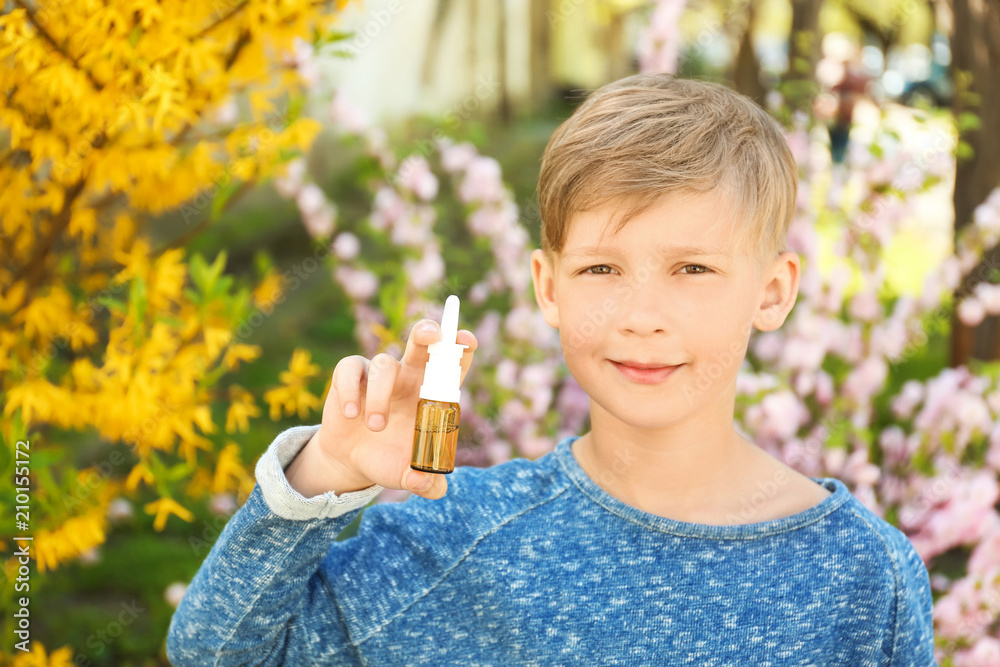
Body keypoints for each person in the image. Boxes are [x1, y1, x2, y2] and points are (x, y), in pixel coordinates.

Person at [166, 73, 936, 665]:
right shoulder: (451, 537)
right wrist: (323, 476)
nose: (642, 314)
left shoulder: (865, 575)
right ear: (548, 287)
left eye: (693, 268)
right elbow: (217, 652)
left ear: (772, 291)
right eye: (602, 268)